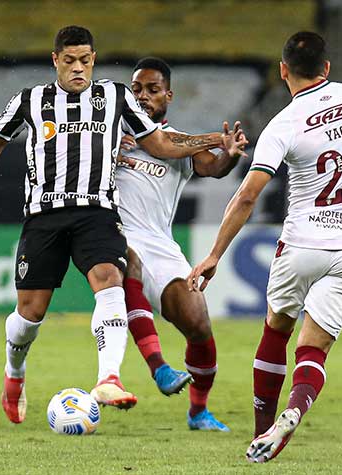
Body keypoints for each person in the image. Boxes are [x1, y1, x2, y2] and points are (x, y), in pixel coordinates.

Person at [0, 26, 229, 424]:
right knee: (29, 316)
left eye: (86, 60)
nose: (79, 68)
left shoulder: (115, 97)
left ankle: (108, 378)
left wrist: (213, 139)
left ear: (94, 59)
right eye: (70, 61)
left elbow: (161, 144)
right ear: (55, 60)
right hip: (44, 216)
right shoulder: (31, 100)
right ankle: (15, 373)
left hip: (97, 211)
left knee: (111, 280)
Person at [187, 31, 342, 462]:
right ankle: (293, 411)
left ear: (282, 71)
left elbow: (247, 195)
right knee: (314, 349)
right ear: (326, 68)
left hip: (302, 243)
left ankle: (261, 432)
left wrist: (215, 254)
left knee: (277, 327)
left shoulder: (284, 123)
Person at [116, 57, 248, 431]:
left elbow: (212, 167)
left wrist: (229, 157)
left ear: (168, 96)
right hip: (114, 234)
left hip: (159, 242)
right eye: (137, 89)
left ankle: (198, 411)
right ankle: (158, 367)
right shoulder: (109, 133)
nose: (143, 97)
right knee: (127, 261)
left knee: (198, 324)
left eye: (153, 90)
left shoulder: (179, 142)